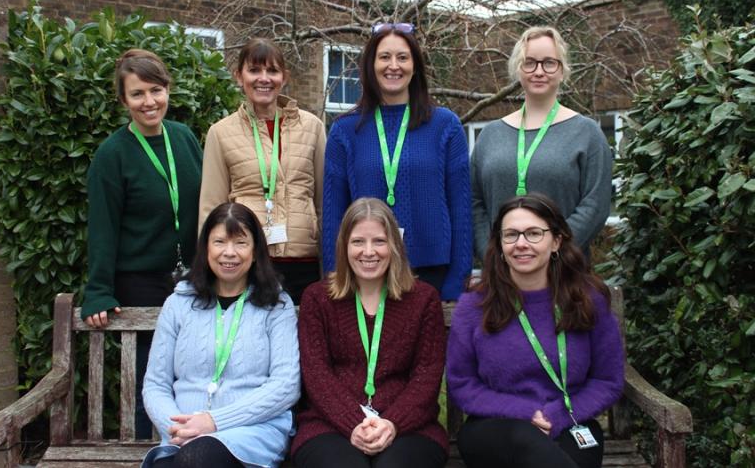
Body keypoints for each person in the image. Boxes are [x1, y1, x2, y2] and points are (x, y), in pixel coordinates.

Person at [447, 193, 624, 468]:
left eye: (533, 233)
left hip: (571, 421)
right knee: (524, 439)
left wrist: (559, 414)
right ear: (499, 244)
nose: (521, 244)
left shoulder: (587, 300)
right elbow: (462, 384)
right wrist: (525, 412)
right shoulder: (475, 306)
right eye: (511, 235)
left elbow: (607, 380)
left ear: (556, 241)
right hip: (495, 428)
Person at [80, 48, 202, 438]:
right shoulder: (111, 155)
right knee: (150, 372)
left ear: (168, 90)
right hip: (141, 282)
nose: (149, 102)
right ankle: (143, 451)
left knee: (193, 369)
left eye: (156, 90)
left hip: (192, 280)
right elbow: (103, 228)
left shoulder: (183, 138)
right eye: (137, 94)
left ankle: (192, 448)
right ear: (123, 100)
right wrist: (98, 289)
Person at [142, 202, 300, 468]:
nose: (229, 253)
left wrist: (214, 422)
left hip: (251, 431)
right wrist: (180, 426)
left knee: (198, 459)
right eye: (219, 242)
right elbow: (156, 384)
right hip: (183, 433)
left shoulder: (276, 305)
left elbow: (286, 386)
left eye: (240, 243)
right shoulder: (178, 303)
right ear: (205, 247)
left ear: (255, 251)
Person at [293, 197, 448, 468]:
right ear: (344, 246)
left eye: (379, 241)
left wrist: (392, 423)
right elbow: (317, 374)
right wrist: (354, 423)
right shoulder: (317, 299)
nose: (368, 251)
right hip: (329, 425)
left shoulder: (423, 300)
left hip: (409, 427)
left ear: (394, 246)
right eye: (358, 242)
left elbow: (426, 375)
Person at [322, 23, 471, 300]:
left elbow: (461, 210)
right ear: (371, 64)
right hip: (365, 273)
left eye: (403, 57)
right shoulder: (345, 130)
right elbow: (333, 215)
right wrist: (334, 278)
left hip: (432, 275)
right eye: (384, 57)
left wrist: (456, 282)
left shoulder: (445, 125)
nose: (394, 66)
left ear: (415, 65)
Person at [199, 38, 326, 304]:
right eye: (254, 70)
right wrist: (208, 268)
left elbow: (323, 202)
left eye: (272, 71)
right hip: (249, 262)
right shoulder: (221, 133)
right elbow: (211, 207)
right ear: (239, 76)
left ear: (285, 77)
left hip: (304, 261)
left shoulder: (312, 127)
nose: (264, 79)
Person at [471, 26, 613, 261]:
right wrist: (492, 253)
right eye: (530, 62)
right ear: (519, 69)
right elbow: (474, 204)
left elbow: (595, 206)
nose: (539, 71)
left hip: (564, 274)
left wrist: (552, 251)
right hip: (501, 274)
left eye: (549, 63)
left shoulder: (587, 133)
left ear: (562, 70)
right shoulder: (490, 135)